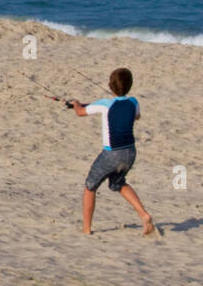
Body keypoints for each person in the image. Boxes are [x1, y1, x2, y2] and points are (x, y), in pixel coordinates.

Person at [65, 67, 155, 236]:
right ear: (130, 86)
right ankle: (144, 214)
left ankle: (86, 229)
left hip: (111, 153)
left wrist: (76, 104)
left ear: (110, 85)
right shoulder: (134, 102)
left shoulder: (104, 104)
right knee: (117, 183)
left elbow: (80, 112)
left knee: (90, 186)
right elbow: (136, 116)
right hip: (130, 152)